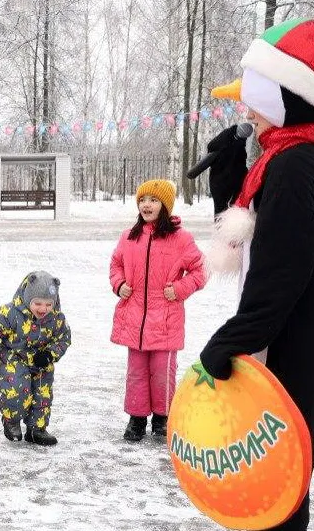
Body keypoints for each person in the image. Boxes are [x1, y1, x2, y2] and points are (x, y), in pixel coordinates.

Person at [200, 11, 314, 530]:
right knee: (271, 465)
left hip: (302, 335)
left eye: (255, 93)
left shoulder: (294, 165)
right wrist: (230, 177)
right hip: (292, 326)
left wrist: (232, 340)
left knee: (283, 468)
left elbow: (283, 269)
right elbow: (258, 238)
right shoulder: (284, 155)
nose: (246, 107)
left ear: (286, 95)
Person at [109, 180, 206, 442]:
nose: (146, 205)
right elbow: (116, 264)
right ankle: (137, 418)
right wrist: (119, 284)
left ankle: (163, 418)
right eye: (142, 200)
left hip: (165, 320)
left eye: (153, 200)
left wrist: (180, 288)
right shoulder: (129, 237)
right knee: (137, 372)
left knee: (163, 372)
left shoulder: (181, 238)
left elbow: (200, 271)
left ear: (165, 205)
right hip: (135, 319)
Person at [0, 271, 72, 446]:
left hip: (41, 360)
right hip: (13, 357)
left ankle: (36, 429)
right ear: (27, 298)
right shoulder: (10, 313)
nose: (43, 309)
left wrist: (50, 354)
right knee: (16, 391)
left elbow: (63, 338)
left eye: (49, 304)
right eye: (38, 303)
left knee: (42, 395)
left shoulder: (57, 318)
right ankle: (11, 421)